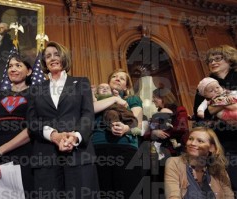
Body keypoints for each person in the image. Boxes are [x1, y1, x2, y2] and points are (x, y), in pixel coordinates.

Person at [27, 41, 99, 198]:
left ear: (64, 57)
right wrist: (53, 136)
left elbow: (87, 115)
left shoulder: (81, 83)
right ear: (44, 62)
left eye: (56, 54)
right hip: (45, 158)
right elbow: (32, 122)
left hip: (78, 154)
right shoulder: (35, 89)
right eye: (47, 56)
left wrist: (75, 136)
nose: (52, 58)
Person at [0, 54, 34, 197]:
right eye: (10, 66)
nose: (13, 69)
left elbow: (32, 129)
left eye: (18, 65)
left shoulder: (36, 93)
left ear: (29, 71)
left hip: (23, 151)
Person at [92, 69, 143, 199]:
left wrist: (125, 128)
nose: (117, 78)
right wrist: (113, 98)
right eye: (114, 76)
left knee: (128, 190)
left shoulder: (132, 99)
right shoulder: (96, 98)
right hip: (98, 147)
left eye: (122, 78)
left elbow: (137, 123)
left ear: (126, 86)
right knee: (103, 191)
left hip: (125, 147)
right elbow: (91, 110)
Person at [193, 45, 237, 192]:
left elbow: (211, 108)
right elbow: (201, 113)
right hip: (222, 139)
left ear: (229, 60)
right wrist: (226, 102)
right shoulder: (205, 85)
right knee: (231, 181)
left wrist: (214, 105)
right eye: (210, 60)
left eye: (217, 58)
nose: (212, 62)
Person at [164, 127, 234, 199]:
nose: (192, 143)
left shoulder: (219, 169)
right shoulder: (174, 163)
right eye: (190, 139)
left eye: (200, 141)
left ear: (211, 148)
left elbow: (229, 196)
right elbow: (172, 196)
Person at [150, 87, 189, 159]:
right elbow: (149, 131)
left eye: (154, 97)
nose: (152, 100)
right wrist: (154, 132)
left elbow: (182, 129)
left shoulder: (180, 110)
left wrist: (163, 132)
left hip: (175, 150)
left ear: (163, 98)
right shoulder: (157, 114)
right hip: (160, 151)